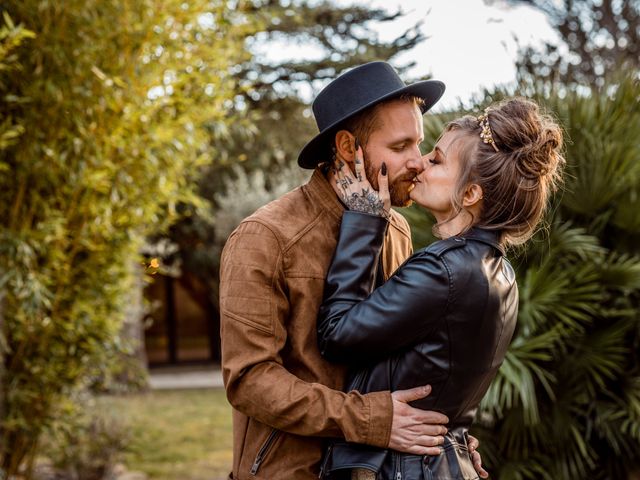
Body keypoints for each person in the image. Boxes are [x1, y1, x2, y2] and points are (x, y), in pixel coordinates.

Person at [219, 62, 487, 480]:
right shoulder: (265, 237)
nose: (417, 162)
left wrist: (444, 442)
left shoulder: (395, 229)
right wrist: (369, 420)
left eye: (419, 143)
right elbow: (249, 379)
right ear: (348, 148)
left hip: (375, 470)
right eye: (400, 147)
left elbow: (400, 359)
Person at [316, 97, 564, 479]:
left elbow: (336, 335)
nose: (419, 165)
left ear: (470, 194)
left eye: (436, 160)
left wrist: (363, 222)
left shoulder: (444, 270)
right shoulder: (501, 275)